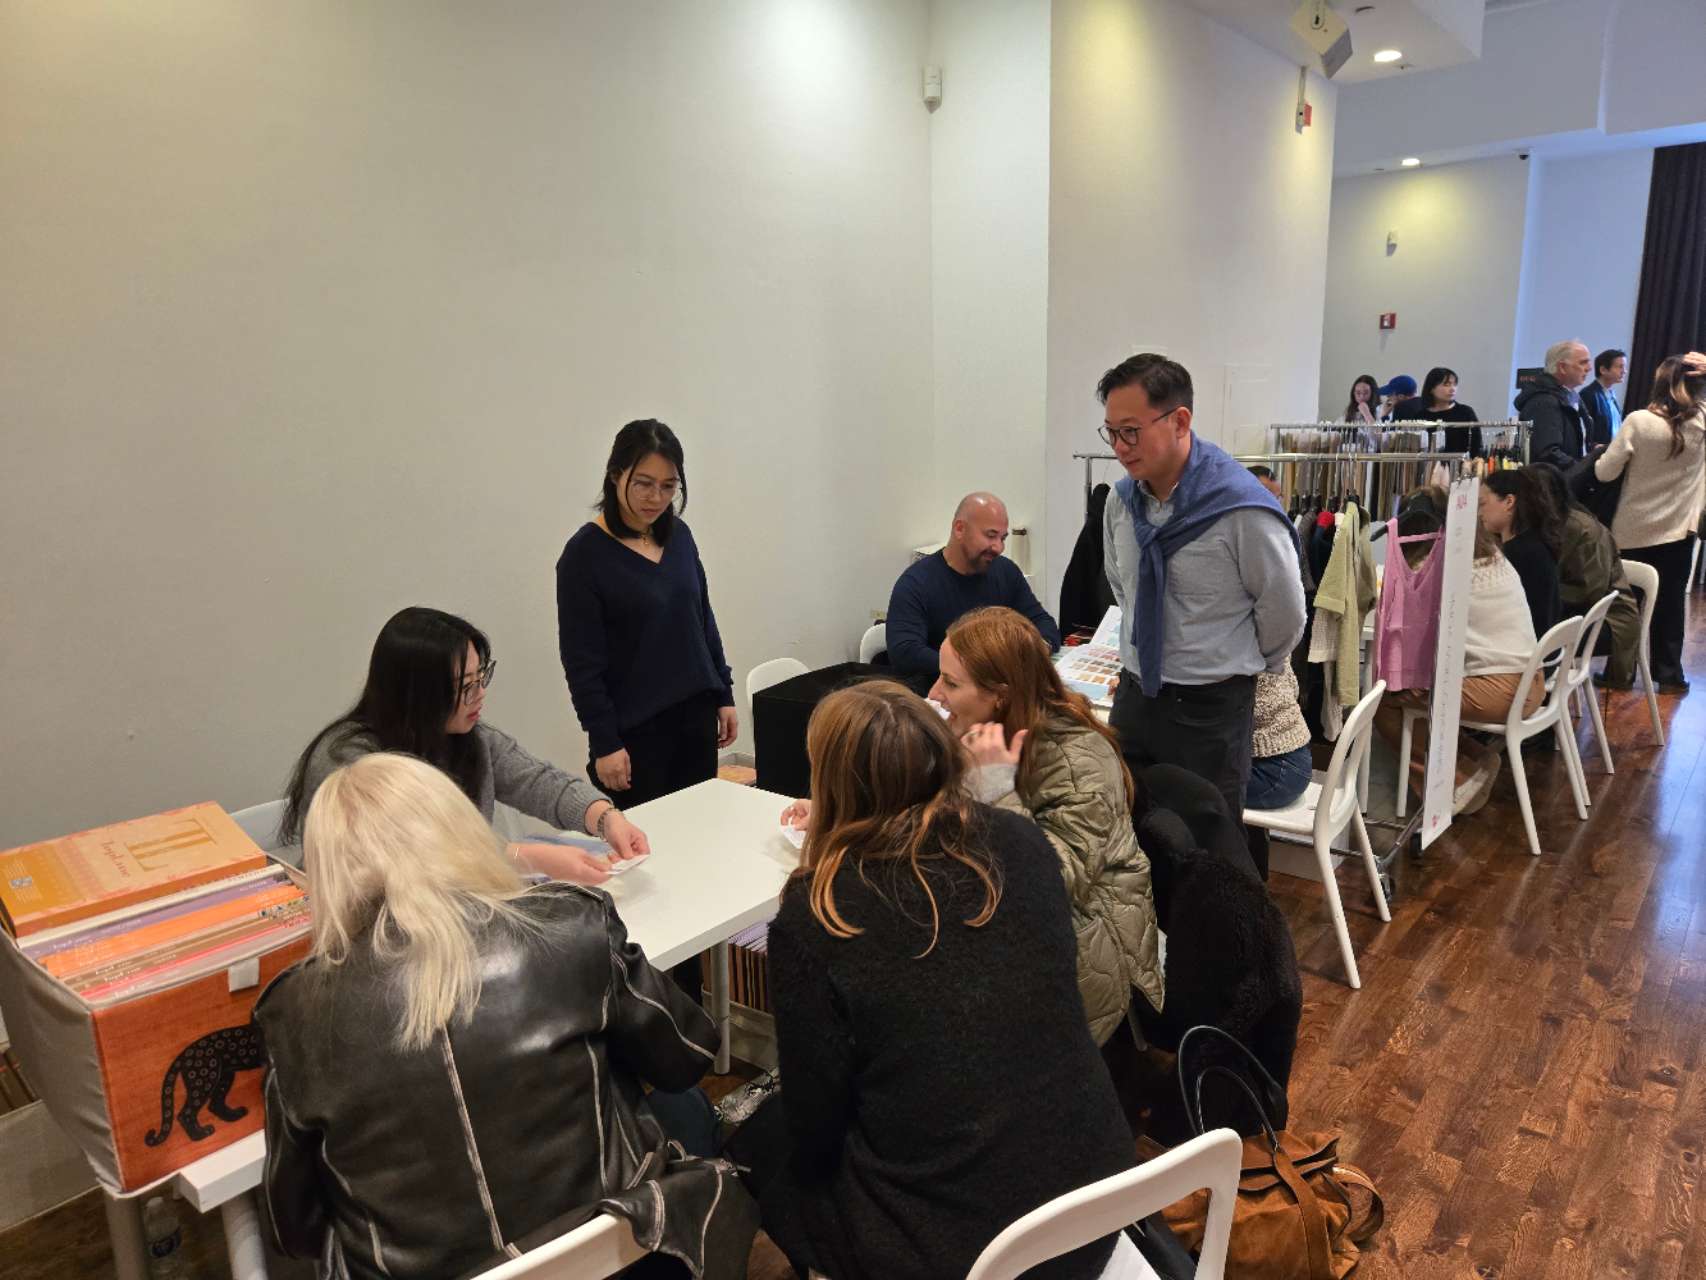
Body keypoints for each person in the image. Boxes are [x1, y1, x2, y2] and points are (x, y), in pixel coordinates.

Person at [257, 753, 756, 1280]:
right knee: (687, 1110)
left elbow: (293, 1229)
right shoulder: (571, 923)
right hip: (623, 1258)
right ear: (458, 828)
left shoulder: (293, 1012)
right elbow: (687, 1056)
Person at [729, 682, 1135, 1280]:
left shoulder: (820, 915)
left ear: (831, 785)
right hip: (1096, 1200)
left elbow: (816, 1124)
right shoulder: (1022, 842)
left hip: (964, 1251)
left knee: (757, 1140)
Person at [1098, 353, 1306, 867]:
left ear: (1180, 421)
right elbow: (1123, 589)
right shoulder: (1121, 503)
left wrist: (1223, 661)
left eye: (1131, 431)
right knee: (1131, 837)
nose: (1120, 448)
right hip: (1136, 698)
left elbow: (1284, 616)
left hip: (1209, 710)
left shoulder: (1241, 509)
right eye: (1112, 433)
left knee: (1207, 852)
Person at [930, 606, 1163, 1053]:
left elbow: (1048, 884)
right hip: (1014, 909)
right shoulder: (979, 731)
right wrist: (837, 811)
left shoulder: (1078, 759)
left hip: (1090, 947)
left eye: (951, 683)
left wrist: (996, 790)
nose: (935, 693)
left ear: (1000, 695)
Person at [280, 607, 647, 883]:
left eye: (481, 676)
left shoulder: (467, 736)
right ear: (416, 695)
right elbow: (416, 854)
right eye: (464, 686)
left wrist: (604, 817)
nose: (480, 693)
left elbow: (538, 781)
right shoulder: (349, 762)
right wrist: (527, 858)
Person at [557, 419, 738, 809]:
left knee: (701, 825)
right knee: (645, 839)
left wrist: (724, 692)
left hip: (696, 717)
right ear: (615, 475)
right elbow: (582, 663)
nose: (656, 497)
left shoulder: (680, 537)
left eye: (669, 486)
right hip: (635, 734)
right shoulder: (584, 556)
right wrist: (604, 742)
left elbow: (702, 621)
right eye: (643, 483)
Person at [1374, 488, 1540, 816]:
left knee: (1386, 698)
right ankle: (1475, 759)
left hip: (1500, 690)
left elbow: (1404, 636)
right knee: (1421, 687)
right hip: (1531, 681)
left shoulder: (1433, 566)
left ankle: (1455, 784)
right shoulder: (1491, 555)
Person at [1593, 351, 1706, 692]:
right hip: (1679, 529)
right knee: (1670, 605)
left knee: (1625, 608)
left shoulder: (1639, 421)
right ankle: (1669, 675)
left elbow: (1604, 472)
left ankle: (1619, 673)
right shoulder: (1702, 422)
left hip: (1630, 529)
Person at [885, 492, 1060, 679]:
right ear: (959, 529)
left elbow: (1042, 623)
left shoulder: (1006, 572)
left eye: (1002, 538)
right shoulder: (916, 583)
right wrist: (976, 669)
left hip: (1000, 688)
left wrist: (1039, 648)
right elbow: (905, 653)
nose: (998, 547)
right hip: (938, 689)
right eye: (990, 536)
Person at [1529, 462, 1641, 689]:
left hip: (1608, 620)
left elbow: (1589, 591)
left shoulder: (1582, 529)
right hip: (1576, 611)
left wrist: (1543, 592)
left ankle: (1537, 698)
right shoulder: (1546, 524)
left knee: (1532, 636)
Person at [1479, 469, 1563, 639]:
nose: (1479, 513)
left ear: (1509, 502)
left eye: (1483, 504)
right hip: (1543, 645)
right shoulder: (1536, 543)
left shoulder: (1517, 555)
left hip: (1526, 647)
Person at [1515, 340, 1595, 468]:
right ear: (1562, 367)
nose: (1589, 368)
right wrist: (1583, 469)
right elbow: (1547, 453)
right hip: (1554, 478)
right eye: (1582, 362)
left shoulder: (1572, 396)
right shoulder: (1544, 402)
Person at [1246, 666, 1312, 811]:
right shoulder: (1276, 653)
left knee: (1197, 785)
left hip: (1272, 775)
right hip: (1298, 760)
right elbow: (1294, 687)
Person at [1394, 366, 1482, 455]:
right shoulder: (1421, 416)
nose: (1452, 389)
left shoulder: (1465, 412)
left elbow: (1476, 445)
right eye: (1446, 384)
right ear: (1432, 388)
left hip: (1461, 462)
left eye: (1454, 384)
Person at [1581, 348, 1627, 450]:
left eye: (1624, 367)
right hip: (1595, 455)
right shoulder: (1588, 394)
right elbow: (1583, 431)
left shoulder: (1611, 394)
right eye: (1620, 367)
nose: (1624, 371)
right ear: (1603, 370)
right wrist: (1594, 446)